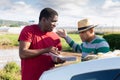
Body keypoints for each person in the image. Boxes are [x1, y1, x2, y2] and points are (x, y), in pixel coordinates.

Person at [18, 7, 65, 80]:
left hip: (48, 78)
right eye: (53, 21)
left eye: (56, 22)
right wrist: (46, 50)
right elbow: (23, 53)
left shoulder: (55, 37)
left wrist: (58, 60)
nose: (55, 24)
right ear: (43, 20)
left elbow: (53, 58)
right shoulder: (28, 30)